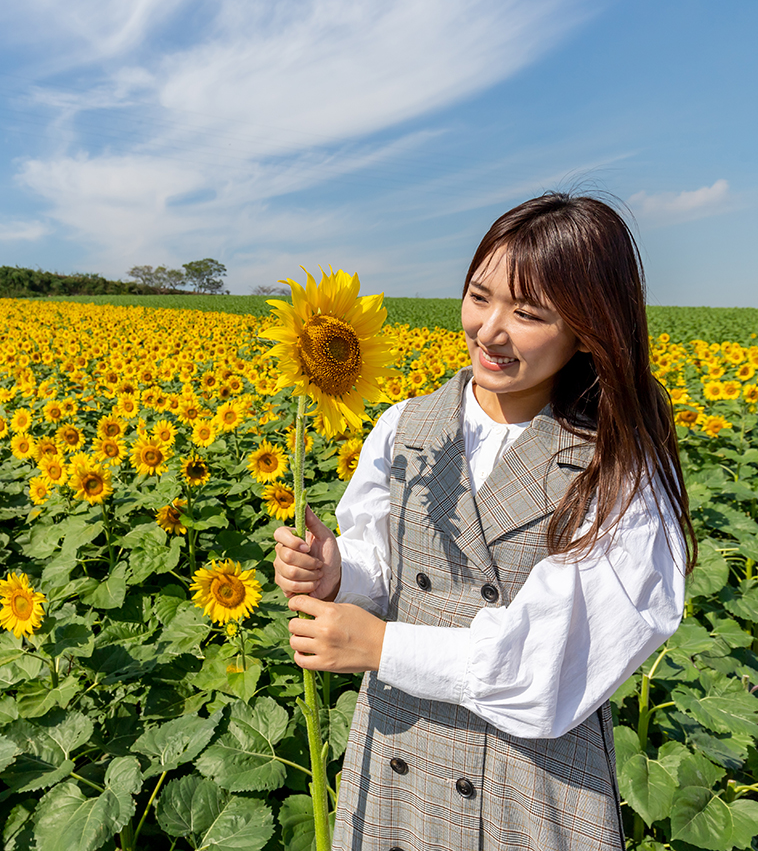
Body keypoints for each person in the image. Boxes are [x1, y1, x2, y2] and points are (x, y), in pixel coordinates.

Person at [272, 193, 695, 851]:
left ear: (587, 329)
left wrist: (382, 648)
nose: (490, 330)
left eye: (527, 314)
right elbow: (393, 567)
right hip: (397, 760)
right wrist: (338, 573)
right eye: (479, 297)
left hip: (526, 788)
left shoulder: (618, 464)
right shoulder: (406, 427)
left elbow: (550, 664)